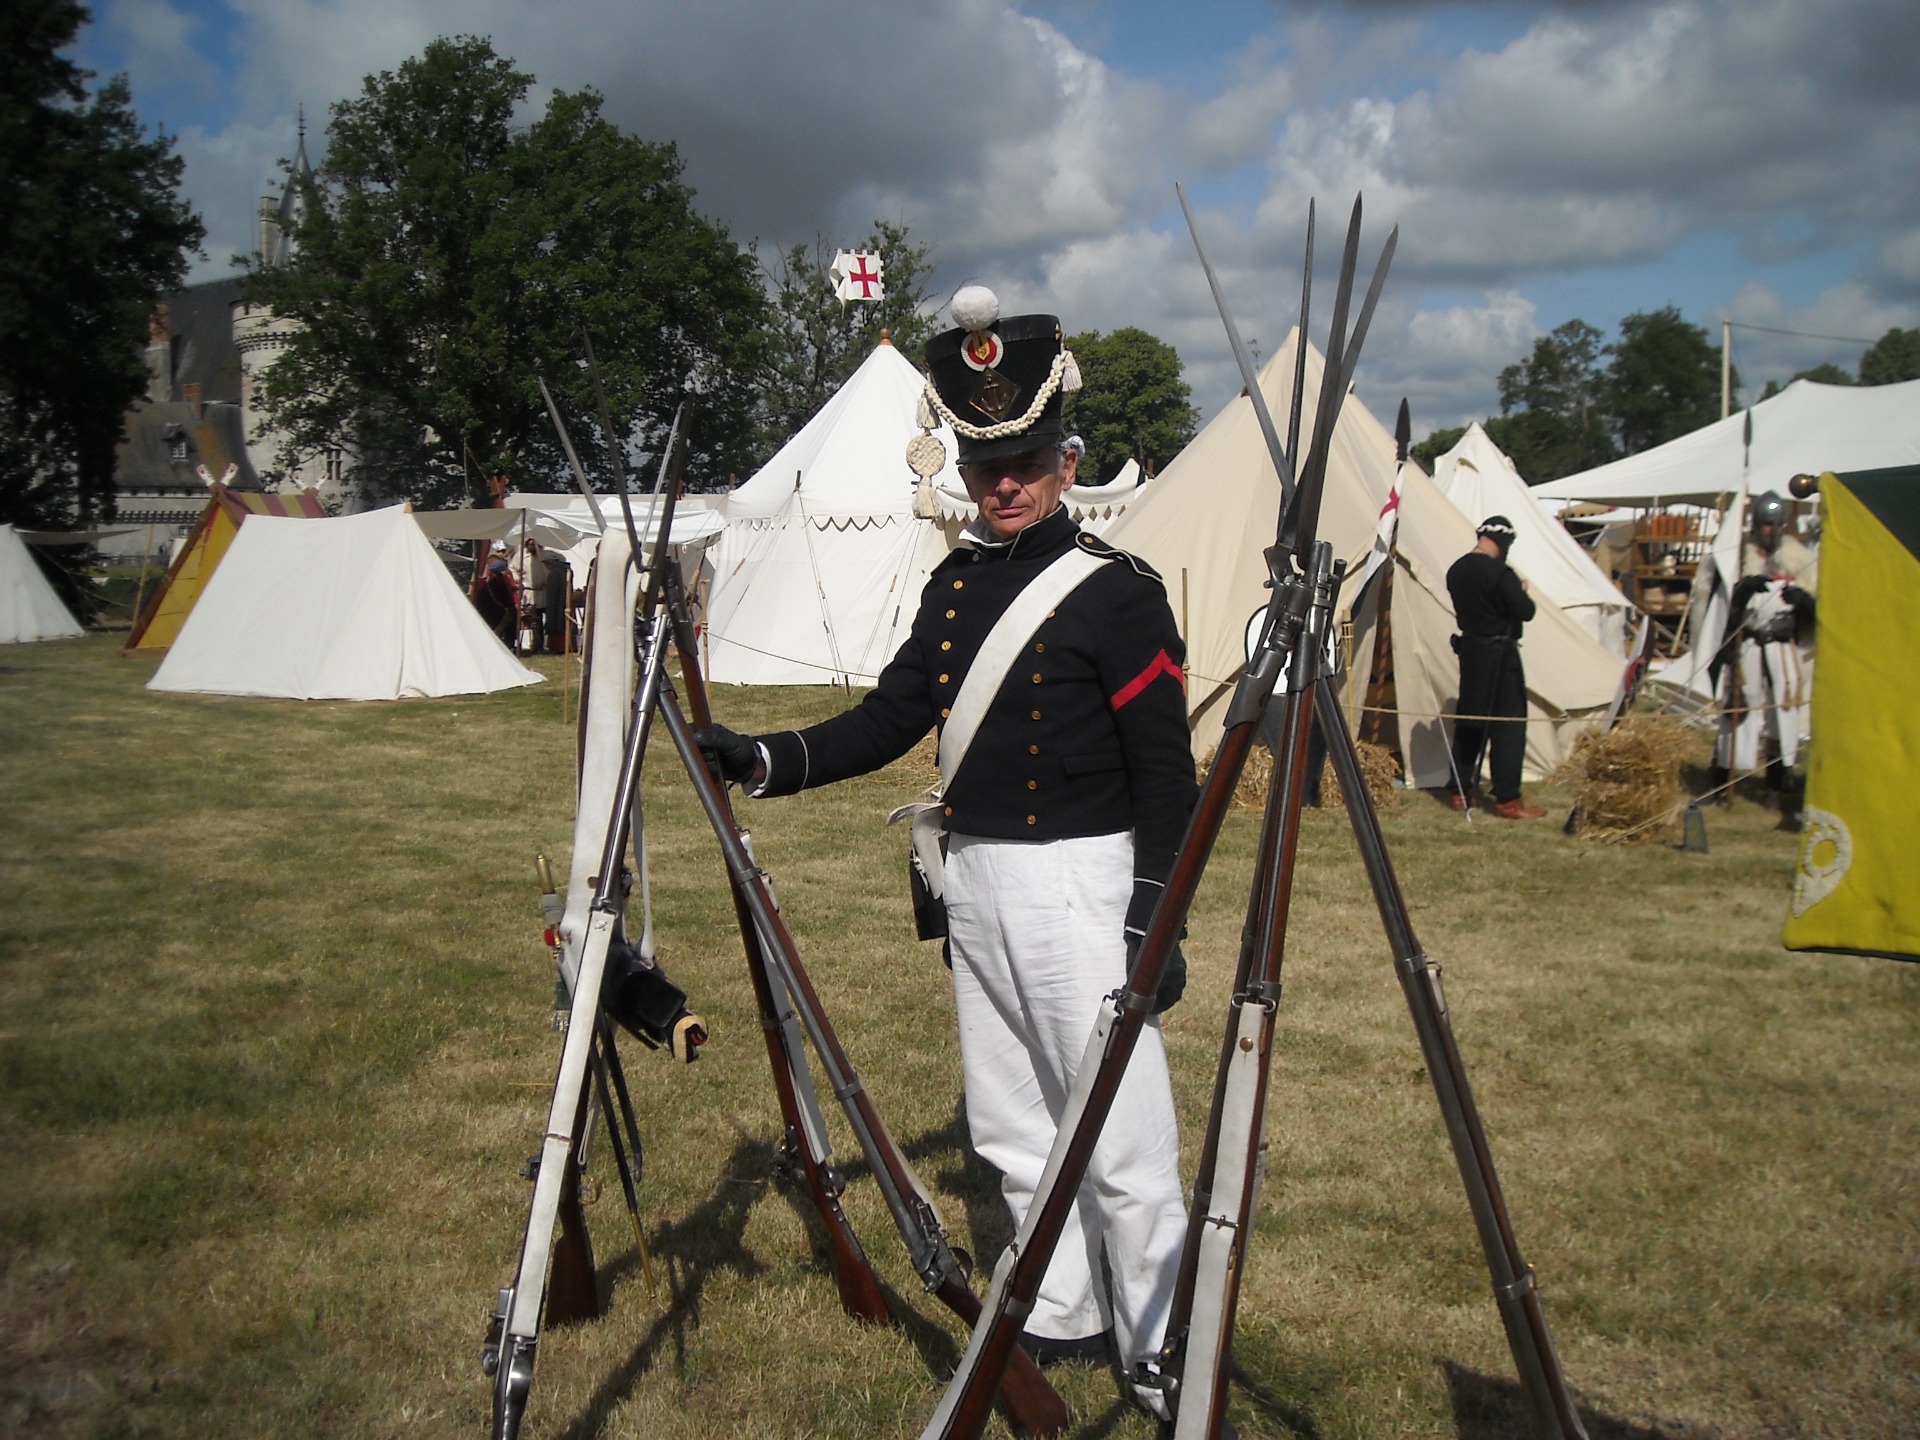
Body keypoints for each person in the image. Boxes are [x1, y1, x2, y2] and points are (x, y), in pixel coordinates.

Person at [694, 288, 1195, 1418]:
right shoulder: (955, 586)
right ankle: (1062, 1310)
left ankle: (1161, 1338)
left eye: (1023, 462)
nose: (1004, 484)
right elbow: (891, 717)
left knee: (1118, 1134)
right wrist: (766, 757)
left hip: (1082, 885)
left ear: (1066, 462)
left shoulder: (1118, 596)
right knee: (1012, 1123)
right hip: (975, 881)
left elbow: (1168, 778)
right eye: (985, 466)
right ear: (962, 469)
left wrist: (1154, 916)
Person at [1709, 489, 1816, 818]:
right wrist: (1741, 593)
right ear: (1756, 524)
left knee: (1781, 716)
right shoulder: (1737, 557)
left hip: (1783, 648)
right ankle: (1723, 781)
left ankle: (1775, 787)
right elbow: (1720, 609)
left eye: (1777, 524)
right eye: (1767, 524)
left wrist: (1803, 602)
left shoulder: (1799, 559)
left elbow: (1815, 613)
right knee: (1738, 710)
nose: (1772, 530)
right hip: (1748, 645)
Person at [1444, 516, 1545, 819]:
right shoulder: (1500, 573)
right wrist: (1520, 591)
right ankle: (1507, 798)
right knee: (1508, 724)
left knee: (1471, 719)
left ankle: (1460, 789)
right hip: (1499, 654)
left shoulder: (1457, 570)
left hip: (1471, 651)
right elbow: (1525, 611)